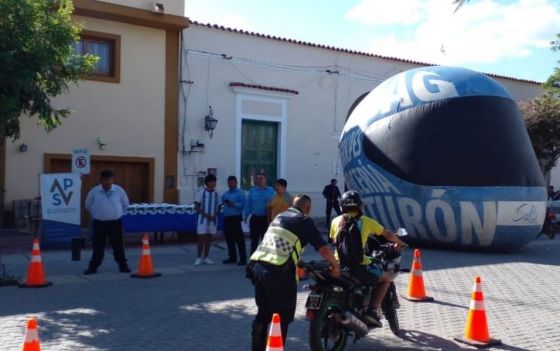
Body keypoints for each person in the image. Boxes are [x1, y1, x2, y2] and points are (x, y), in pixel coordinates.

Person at [249, 194, 340, 351]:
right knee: (281, 316)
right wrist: (335, 266)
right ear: (308, 208)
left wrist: (298, 264)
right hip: (277, 271)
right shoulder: (304, 220)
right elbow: (323, 249)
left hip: (257, 266)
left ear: (292, 204)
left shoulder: (280, 216)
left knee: (263, 314)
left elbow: (280, 245)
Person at [329, 190, 405, 327]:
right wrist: (399, 243)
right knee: (386, 278)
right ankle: (372, 311)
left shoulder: (335, 221)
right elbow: (387, 234)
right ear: (360, 206)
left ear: (342, 206)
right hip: (359, 266)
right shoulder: (366, 221)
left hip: (338, 266)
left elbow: (334, 240)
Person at [83, 170, 131, 275]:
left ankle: (123, 266)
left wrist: (116, 213)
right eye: (106, 181)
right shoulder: (94, 191)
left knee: (118, 246)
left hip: (115, 223)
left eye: (111, 181)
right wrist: (98, 214)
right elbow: (87, 205)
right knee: (98, 247)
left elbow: (126, 205)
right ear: (102, 180)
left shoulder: (119, 190)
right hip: (99, 224)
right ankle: (93, 268)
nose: (109, 183)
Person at [244, 172, 274, 254]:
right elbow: (248, 205)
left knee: (266, 239)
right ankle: (253, 259)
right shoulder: (252, 191)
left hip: (265, 219)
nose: (260, 180)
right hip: (255, 219)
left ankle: (265, 259)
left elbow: (274, 205)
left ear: (265, 180)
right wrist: (245, 217)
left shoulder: (271, 191)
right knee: (254, 240)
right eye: (258, 178)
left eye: (262, 178)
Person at [194, 174, 220, 266]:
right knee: (201, 238)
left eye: (215, 181)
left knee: (209, 239)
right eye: (212, 181)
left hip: (213, 221)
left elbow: (219, 207)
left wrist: (215, 215)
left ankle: (206, 257)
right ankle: (198, 257)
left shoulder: (217, 193)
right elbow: (196, 207)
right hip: (202, 221)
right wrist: (207, 215)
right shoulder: (201, 193)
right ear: (208, 182)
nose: (214, 183)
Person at [221, 175, 247, 265]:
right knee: (229, 239)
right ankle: (232, 257)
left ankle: (243, 258)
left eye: (232, 182)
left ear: (236, 183)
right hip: (227, 219)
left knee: (239, 239)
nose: (231, 184)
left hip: (236, 219)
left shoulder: (240, 193)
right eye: (229, 182)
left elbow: (243, 205)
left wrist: (233, 204)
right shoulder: (225, 194)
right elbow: (222, 204)